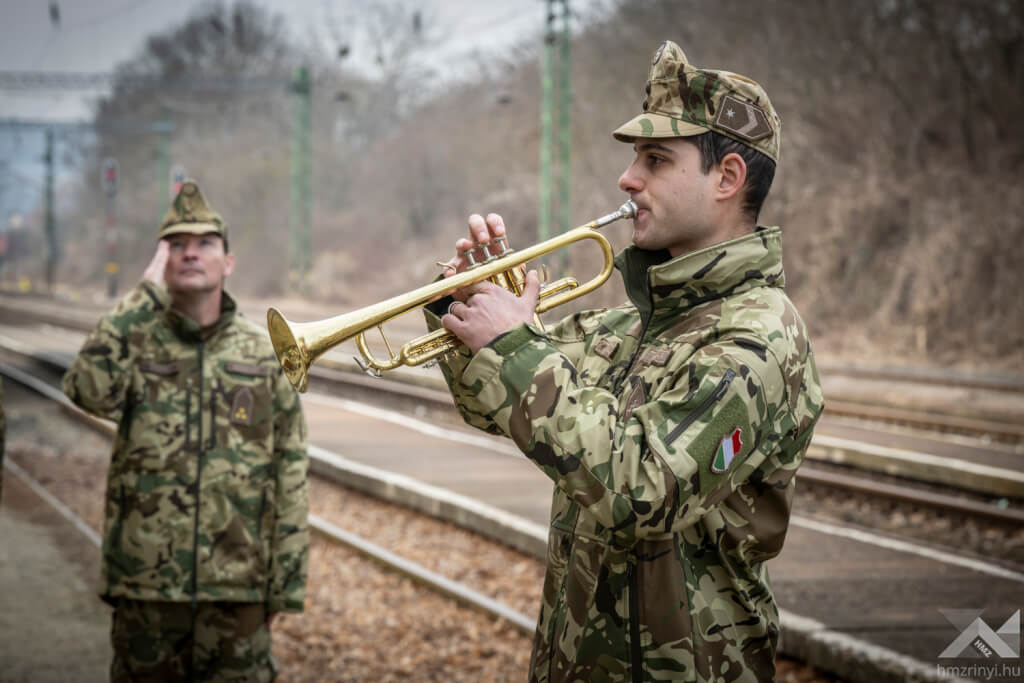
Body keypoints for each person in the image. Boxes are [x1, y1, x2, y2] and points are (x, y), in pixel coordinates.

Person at [428, 41, 824, 682]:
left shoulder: (758, 339)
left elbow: (641, 488)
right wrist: (462, 310)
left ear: (727, 178)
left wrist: (515, 346)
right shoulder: (629, 325)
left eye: (655, 159)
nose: (627, 179)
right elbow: (496, 407)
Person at [63, 179, 309, 682]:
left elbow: (290, 470)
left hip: (237, 589)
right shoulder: (135, 340)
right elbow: (85, 389)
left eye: (204, 243)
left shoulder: (264, 355)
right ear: (160, 261)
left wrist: (284, 587)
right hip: (146, 588)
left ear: (228, 261)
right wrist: (144, 296)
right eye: (176, 244)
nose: (190, 253)